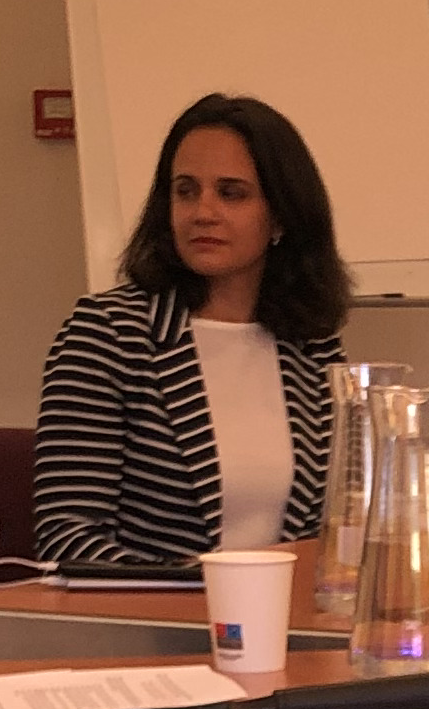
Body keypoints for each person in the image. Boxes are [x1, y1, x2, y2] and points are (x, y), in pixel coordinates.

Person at [33, 94, 345, 574]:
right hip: (148, 629)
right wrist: (198, 593)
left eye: (231, 193)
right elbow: (66, 534)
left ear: (281, 216)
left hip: (286, 622)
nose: (202, 212)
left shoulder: (311, 343)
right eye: (185, 190)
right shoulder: (109, 334)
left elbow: (335, 523)